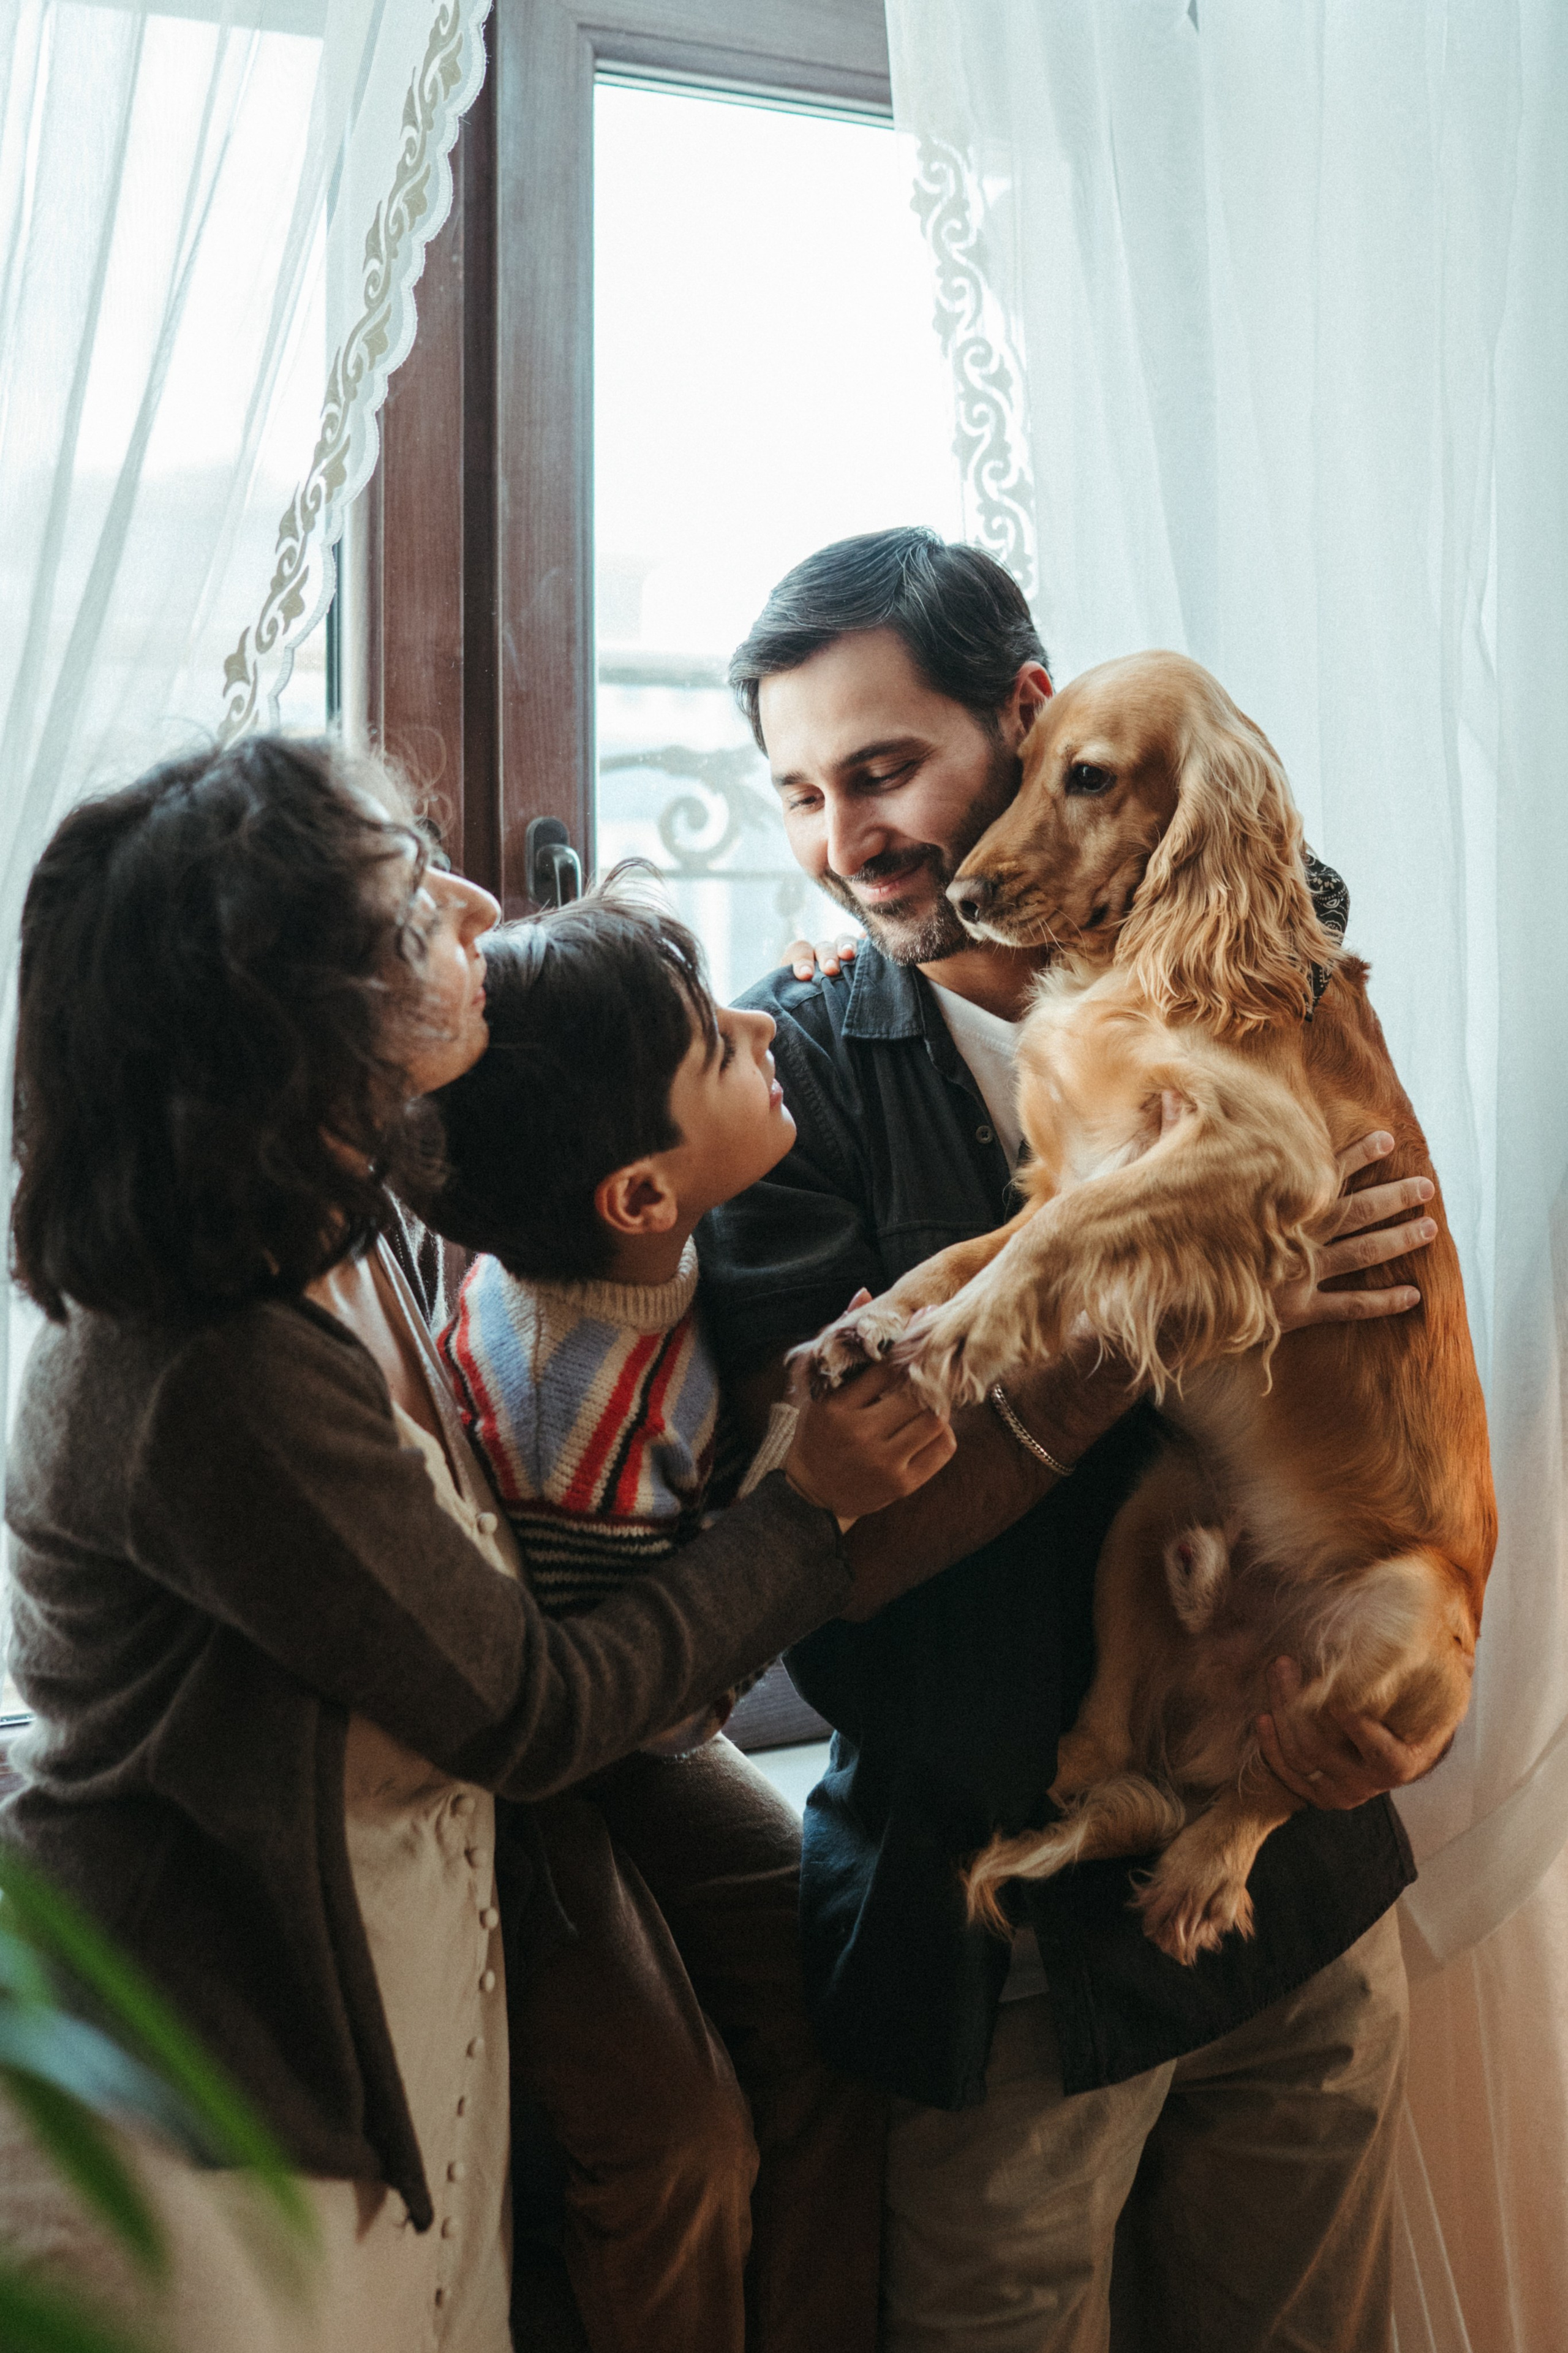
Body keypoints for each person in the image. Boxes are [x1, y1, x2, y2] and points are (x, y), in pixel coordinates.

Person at [0, 735, 951, 2353]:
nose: (474, 898)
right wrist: (808, 1511)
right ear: (289, 1024)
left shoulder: (330, 1216)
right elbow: (523, 1704)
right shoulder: (210, 1364)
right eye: (405, 909)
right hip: (224, 2089)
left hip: (377, 1976)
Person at [698, 529, 1454, 2353]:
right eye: (801, 792)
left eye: (885, 768)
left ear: (1030, 723)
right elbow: (837, 1571)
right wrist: (1181, 1290)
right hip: (1001, 1937)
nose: (848, 837)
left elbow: (1365, 1327)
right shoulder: (778, 1097)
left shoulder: (1263, 973)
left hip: (1299, 1876)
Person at [414, 886, 943, 2353]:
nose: (763, 1023)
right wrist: (812, 1486)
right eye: (721, 1038)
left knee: (829, 1999)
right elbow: (627, 1699)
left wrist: (800, 979)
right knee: (672, 2138)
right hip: (558, 1766)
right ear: (639, 1195)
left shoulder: (624, 1245)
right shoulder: (563, 1409)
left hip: (632, 1723)